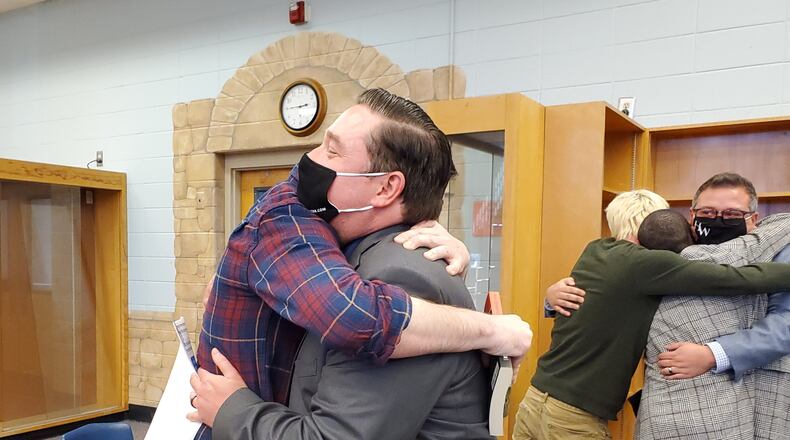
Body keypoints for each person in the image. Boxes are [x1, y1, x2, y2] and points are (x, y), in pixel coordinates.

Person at [188, 89, 530, 438]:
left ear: (386, 189)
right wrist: (493, 329)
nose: (310, 159)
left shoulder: (404, 276)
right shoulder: (321, 231)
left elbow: (359, 322)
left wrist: (232, 409)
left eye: (332, 151)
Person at [512, 190, 790, 440]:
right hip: (574, 417)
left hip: (535, 397)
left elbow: (598, 302)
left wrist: (550, 297)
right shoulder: (651, 265)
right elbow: (734, 278)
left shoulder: (596, 249)